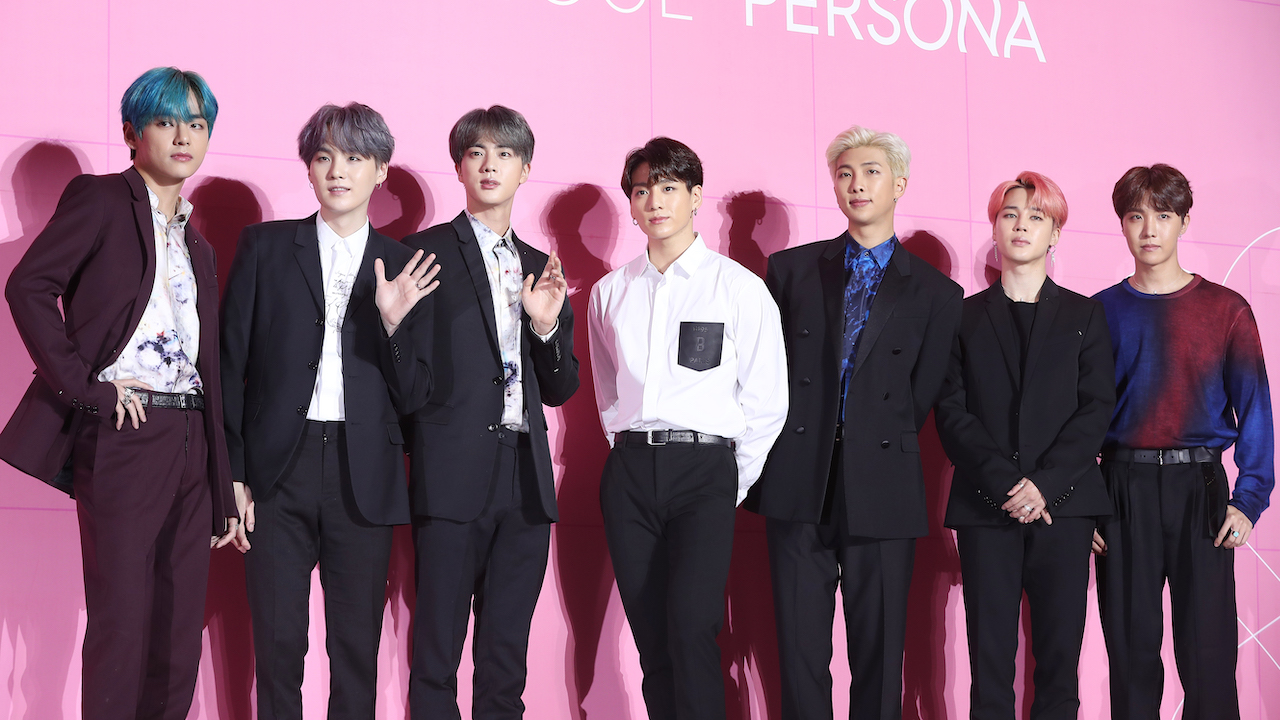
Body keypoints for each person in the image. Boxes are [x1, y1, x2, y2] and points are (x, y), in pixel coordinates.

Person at [0, 66, 242, 720]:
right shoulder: (103, 200)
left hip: (192, 439)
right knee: (123, 620)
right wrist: (87, 388)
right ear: (134, 133)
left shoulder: (198, 242)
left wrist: (222, 484)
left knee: (178, 629)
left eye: (196, 123)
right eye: (166, 121)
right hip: (127, 432)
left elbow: (207, 369)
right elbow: (28, 287)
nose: (183, 136)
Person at [219, 102, 438, 720]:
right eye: (324, 157)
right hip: (275, 474)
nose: (338, 171)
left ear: (381, 171)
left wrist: (392, 326)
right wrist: (233, 473)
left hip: (363, 475)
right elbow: (230, 366)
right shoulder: (264, 248)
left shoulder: (407, 265)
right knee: (277, 649)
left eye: (355, 158)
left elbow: (417, 395)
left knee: (355, 654)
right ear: (309, 168)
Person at [746, 125, 963, 720]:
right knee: (799, 651)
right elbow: (765, 372)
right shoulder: (790, 270)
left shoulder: (937, 293)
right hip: (798, 475)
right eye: (844, 174)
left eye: (870, 172)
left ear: (899, 184)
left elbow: (921, 395)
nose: (856, 184)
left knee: (880, 652)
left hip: (884, 479)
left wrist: (871, 433)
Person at [587, 137, 788, 719]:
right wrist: (629, 450)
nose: (654, 201)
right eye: (641, 191)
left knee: (692, 630)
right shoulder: (609, 293)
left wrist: (727, 479)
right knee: (652, 641)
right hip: (629, 472)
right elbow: (607, 389)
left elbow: (767, 401)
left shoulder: (738, 288)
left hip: (706, 471)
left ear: (696, 196)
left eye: (669, 188)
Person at [402, 105, 579, 720]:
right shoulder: (422, 254)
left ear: (525, 170)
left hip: (525, 477)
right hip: (450, 471)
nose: (489, 165)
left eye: (505, 154)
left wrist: (546, 327)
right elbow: (403, 377)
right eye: (476, 152)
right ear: (458, 167)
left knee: (506, 660)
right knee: (436, 654)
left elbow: (560, 387)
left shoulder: (542, 266)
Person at [1092, 164, 1274, 720]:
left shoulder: (1226, 309)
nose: (1149, 229)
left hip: (1201, 488)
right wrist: (1083, 501)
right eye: (1136, 216)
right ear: (1122, 225)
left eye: (1163, 216)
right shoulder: (1097, 312)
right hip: (1120, 488)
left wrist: (1249, 499)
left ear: (1184, 222)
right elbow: (1077, 417)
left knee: (1209, 653)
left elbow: (1256, 407)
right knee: (1130, 653)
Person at [935, 171, 1115, 719]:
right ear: (995, 227)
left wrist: (1044, 485)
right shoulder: (962, 316)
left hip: (1065, 508)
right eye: (1010, 214)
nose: (1021, 225)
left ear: (1055, 233)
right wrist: (1009, 485)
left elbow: (1095, 410)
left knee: (1059, 660)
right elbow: (951, 411)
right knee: (989, 662)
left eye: (1037, 217)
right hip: (986, 506)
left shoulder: (1085, 314)